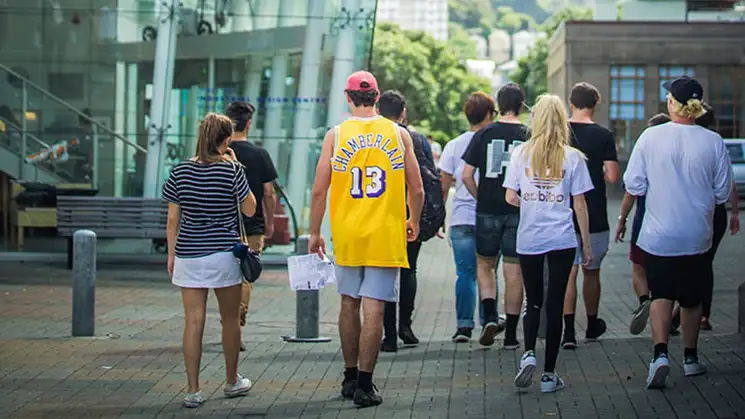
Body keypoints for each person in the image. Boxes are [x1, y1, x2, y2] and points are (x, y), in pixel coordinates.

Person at [308, 71, 424, 407]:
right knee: (375, 305)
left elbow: (319, 189)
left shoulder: (337, 134)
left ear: (348, 97)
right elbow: (416, 187)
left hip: (347, 231)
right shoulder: (398, 133)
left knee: (348, 302)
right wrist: (412, 219)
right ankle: (365, 383)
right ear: (376, 97)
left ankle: (347, 376)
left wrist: (316, 232)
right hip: (385, 232)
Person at [624, 76, 732, 389]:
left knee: (660, 294)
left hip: (658, 234)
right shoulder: (713, 141)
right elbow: (722, 191)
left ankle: (659, 355)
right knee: (691, 299)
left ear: (672, 103)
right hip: (697, 234)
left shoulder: (650, 137)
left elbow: (633, 184)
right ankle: (690, 358)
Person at [162, 113, 257, 408]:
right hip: (223, 256)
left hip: (189, 255)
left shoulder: (180, 171)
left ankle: (192, 390)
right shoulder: (232, 170)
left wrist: (171, 254)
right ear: (226, 140)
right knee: (229, 320)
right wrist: (233, 163)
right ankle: (231, 382)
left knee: (193, 322)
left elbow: (172, 218)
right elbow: (251, 209)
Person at [503, 94, 594, 393]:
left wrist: (531, 202)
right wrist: (587, 245)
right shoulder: (573, 157)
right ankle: (549, 375)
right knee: (555, 304)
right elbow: (579, 204)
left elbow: (510, 196)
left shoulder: (520, 154)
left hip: (529, 237)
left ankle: (528, 352)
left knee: (533, 301)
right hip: (562, 238)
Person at [462, 83, 530, 349]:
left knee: (484, 266)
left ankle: (490, 315)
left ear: (498, 105)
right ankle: (512, 334)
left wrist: (480, 196)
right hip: (518, 210)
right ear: (522, 104)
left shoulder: (483, 133)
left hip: (488, 209)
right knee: (514, 273)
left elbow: (466, 174)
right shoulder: (529, 135)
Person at [561, 82, 620, 349]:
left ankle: (568, 331)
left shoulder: (561, 133)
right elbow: (612, 176)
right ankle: (592, 325)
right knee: (591, 272)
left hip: (562, 212)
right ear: (595, 105)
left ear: (571, 103)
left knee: (568, 274)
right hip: (594, 212)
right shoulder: (604, 135)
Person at [377, 90, 435, 352]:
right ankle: (406, 326)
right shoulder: (418, 139)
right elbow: (426, 181)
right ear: (403, 113)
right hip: (411, 212)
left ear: (378, 111)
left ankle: (388, 335)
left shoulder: (375, 138)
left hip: (382, 213)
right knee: (409, 268)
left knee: (387, 273)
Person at [224, 101, 279, 350]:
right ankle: (237, 327)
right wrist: (269, 222)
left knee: (224, 278)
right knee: (245, 277)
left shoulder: (218, 154)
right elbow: (269, 193)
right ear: (249, 124)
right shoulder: (259, 154)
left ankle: (228, 324)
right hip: (252, 227)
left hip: (221, 227)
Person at [440, 92, 494, 342]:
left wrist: (441, 216)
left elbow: (444, 185)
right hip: (490, 216)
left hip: (461, 217)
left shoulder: (453, 145)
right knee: (489, 271)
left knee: (465, 273)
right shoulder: (493, 141)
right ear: (489, 115)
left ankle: (463, 326)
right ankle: (488, 321)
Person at [615, 113, 671, 336]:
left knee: (639, 267)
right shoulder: (673, 160)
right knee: (667, 271)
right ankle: (667, 312)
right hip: (670, 220)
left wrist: (622, 219)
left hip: (643, 218)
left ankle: (644, 300)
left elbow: (631, 192)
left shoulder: (645, 155)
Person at [693, 103, 740, 330]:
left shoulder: (692, 141)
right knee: (705, 263)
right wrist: (734, 212)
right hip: (717, 211)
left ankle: (683, 310)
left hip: (695, 211)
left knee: (690, 262)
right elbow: (727, 180)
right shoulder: (716, 142)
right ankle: (703, 315)